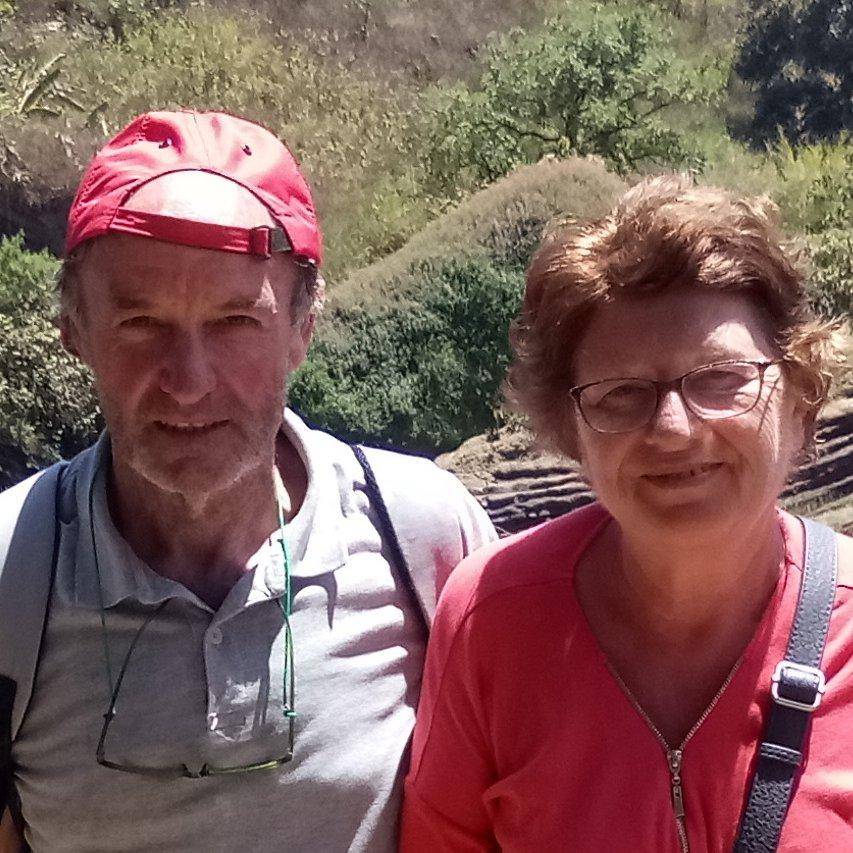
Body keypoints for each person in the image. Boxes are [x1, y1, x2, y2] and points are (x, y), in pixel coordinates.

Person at [0, 110, 496, 852]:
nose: (189, 381)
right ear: (74, 330)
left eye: (235, 322)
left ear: (303, 327)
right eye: (141, 324)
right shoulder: (12, 570)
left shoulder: (425, 536)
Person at [401, 176, 853, 851]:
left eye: (720, 379)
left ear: (797, 398)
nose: (672, 428)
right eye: (620, 393)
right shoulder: (491, 620)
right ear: (570, 432)